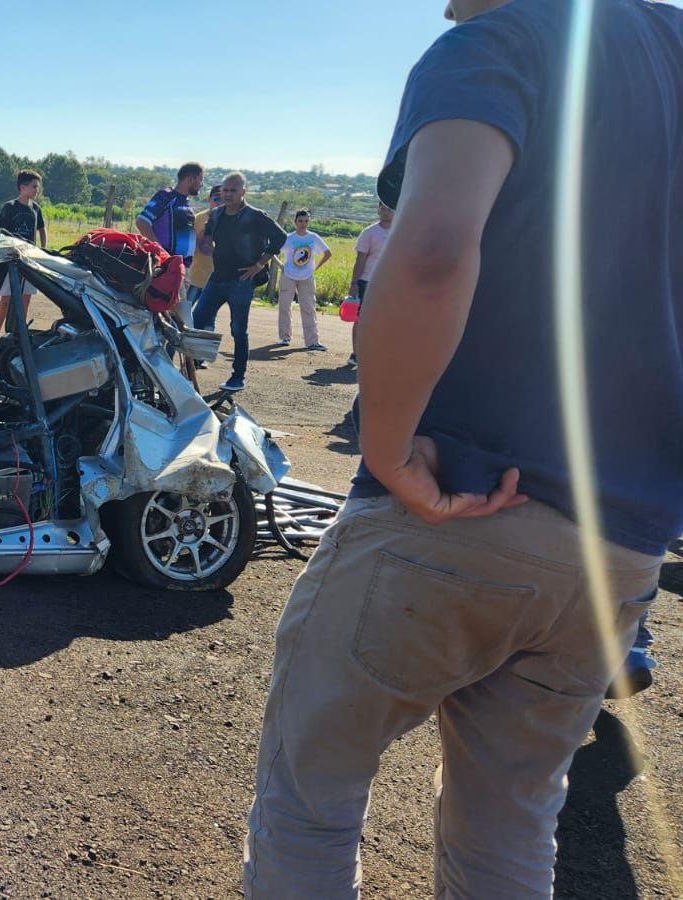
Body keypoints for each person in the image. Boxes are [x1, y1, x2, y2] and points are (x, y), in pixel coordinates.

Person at [243, 2, 683, 898]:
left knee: (310, 796)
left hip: (463, 492)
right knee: (510, 828)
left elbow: (436, 248)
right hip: (621, 543)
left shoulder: (501, 40)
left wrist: (392, 449)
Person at [193, 172, 285, 392]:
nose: (228, 194)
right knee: (197, 320)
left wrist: (260, 264)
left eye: (233, 190)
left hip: (242, 281)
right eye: (225, 190)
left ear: (243, 192)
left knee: (238, 330)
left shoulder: (255, 216)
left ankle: (237, 377)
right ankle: (192, 369)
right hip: (217, 278)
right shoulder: (215, 215)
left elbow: (280, 237)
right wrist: (206, 247)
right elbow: (207, 236)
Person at [0, 169, 47, 336]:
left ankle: (18, 331)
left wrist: (43, 249)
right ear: (22, 187)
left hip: (30, 259)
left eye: (37, 187)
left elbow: (42, 230)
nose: (37, 190)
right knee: (7, 298)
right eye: (34, 186)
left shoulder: (36, 209)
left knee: (26, 297)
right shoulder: (10, 207)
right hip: (12, 259)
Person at [345, 201, 392, 369]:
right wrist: (354, 283)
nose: (386, 212)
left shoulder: (401, 232)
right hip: (368, 282)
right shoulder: (370, 232)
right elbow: (360, 260)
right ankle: (356, 354)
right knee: (362, 320)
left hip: (391, 284)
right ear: (378, 210)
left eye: (389, 209)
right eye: (383, 208)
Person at [276, 209, 331, 350]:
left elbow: (327, 253)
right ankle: (284, 337)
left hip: (306, 276)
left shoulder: (313, 237)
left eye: (306, 221)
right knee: (284, 307)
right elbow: (271, 251)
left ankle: (312, 341)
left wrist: (315, 268)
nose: (303, 224)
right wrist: (281, 265)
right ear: (295, 222)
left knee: (308, 308)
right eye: (300, 221)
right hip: (288, 275)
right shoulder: (289, 238)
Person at [136, 162, 203, 262]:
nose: (202, 184)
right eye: (201, 179)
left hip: (182, 265)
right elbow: (142, 222)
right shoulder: (166, 196)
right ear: (190, 179)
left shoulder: (186, 202)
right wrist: (160, 252)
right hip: (165, 266)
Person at [182, 185, 221, 322]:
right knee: (183, 314)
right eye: (216, 198)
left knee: (209, 318)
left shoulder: (232, 221)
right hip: (196, 275)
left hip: (217, 278)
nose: (219, 202)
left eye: (223, 199)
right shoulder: (197, 219)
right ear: (209, 199)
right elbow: (191, 246)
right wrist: (206, 230)